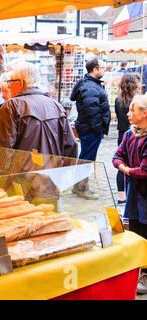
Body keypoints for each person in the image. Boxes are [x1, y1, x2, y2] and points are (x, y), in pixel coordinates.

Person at [0, 61, 78, 158]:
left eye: (11, 81)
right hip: (52, 171)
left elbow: (1, 151)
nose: (9, 85)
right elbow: (71, 146)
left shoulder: (11, 106)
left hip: (23, 172)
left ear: (21, 83)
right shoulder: (56, 106)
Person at [112, 94, 147, 295]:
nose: (128, 113)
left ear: (144, 113)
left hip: (144, 192)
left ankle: (146, 273)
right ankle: (135, 268)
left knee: (145, 229)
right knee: (134, 228)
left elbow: (144, 170)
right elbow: (117, 156)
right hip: (134, 192)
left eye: (132, 110)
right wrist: (126, 167)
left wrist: (125, 169)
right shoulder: (128, 134)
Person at [70, 58, 110, 199]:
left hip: (89, 128)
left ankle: (80, 187)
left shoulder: (90, 84)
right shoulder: (90, 87)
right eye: (102, 67)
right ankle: (81, 189)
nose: (104, 70)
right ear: (95, 69)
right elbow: (90, 110)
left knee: (86, 157)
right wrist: (98, 128)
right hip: (90, 129)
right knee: (86, 159)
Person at [114, 73, 142, 204]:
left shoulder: (118, 99)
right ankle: (134, 195)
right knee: (136, 164)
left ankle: (121, 197)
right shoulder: (137, 101)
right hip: (135, 134)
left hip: (122, 134)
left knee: (122, 164)